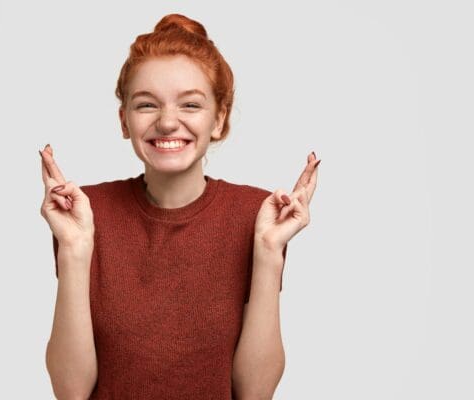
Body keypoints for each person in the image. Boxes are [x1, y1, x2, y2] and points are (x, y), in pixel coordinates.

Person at [40, 13, 320, 400]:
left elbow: (254, 393)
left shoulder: (256, 216)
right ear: (124, 121)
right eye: (146, 105)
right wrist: (73, 249)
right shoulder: (86, 213)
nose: (168, 122)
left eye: (190, 105)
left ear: (219, 119)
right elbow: (71, 391)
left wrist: (269, 252)